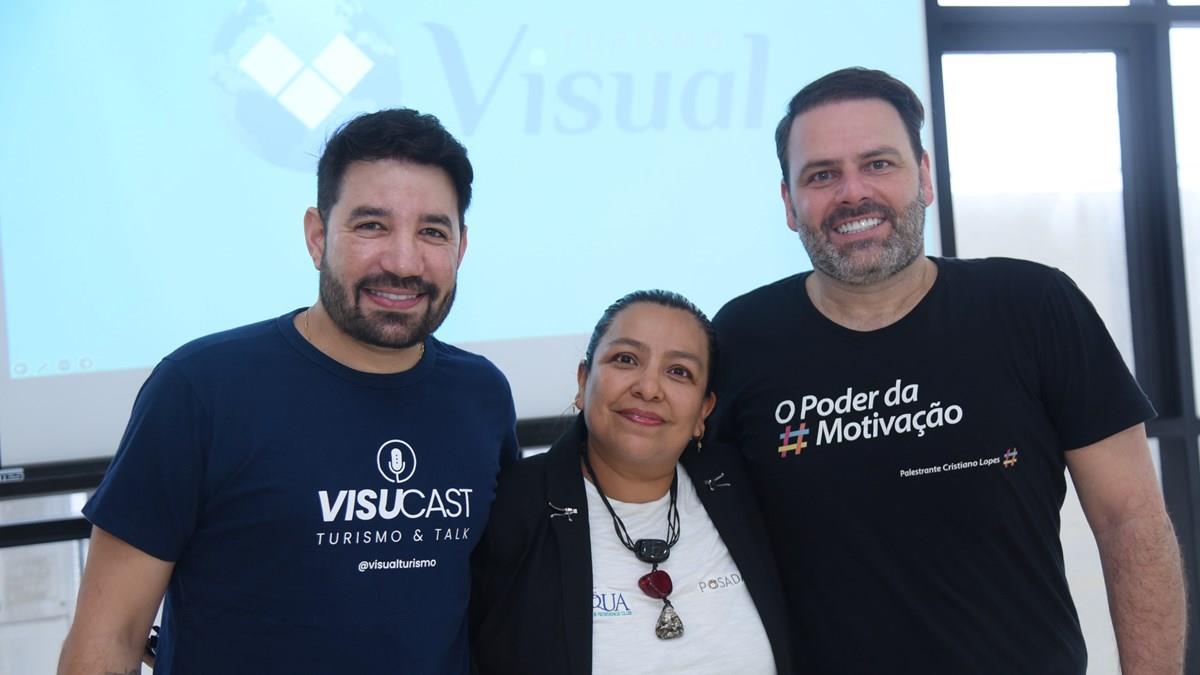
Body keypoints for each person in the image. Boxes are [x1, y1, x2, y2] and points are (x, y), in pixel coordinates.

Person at [711, 67, 1186, 674]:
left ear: (925, 176)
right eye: (822, 175)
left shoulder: (1033, 306)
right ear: (788, 202)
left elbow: (1131, 520)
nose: (853, 193)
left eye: (878, 163)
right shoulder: (742, 337)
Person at [58, 109, 519, 674]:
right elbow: (110, 636)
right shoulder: (200, 390)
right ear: (317, 236)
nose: (403, 262)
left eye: (432, 232)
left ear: (461, 247)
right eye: (371, 226)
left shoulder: (481, 396)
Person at [471, 290, 795, 675]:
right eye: (626, 359)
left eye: (679, 371)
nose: (649, 388)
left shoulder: (745, 490)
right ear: (583, 381)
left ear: (703, 411)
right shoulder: (508, 508)